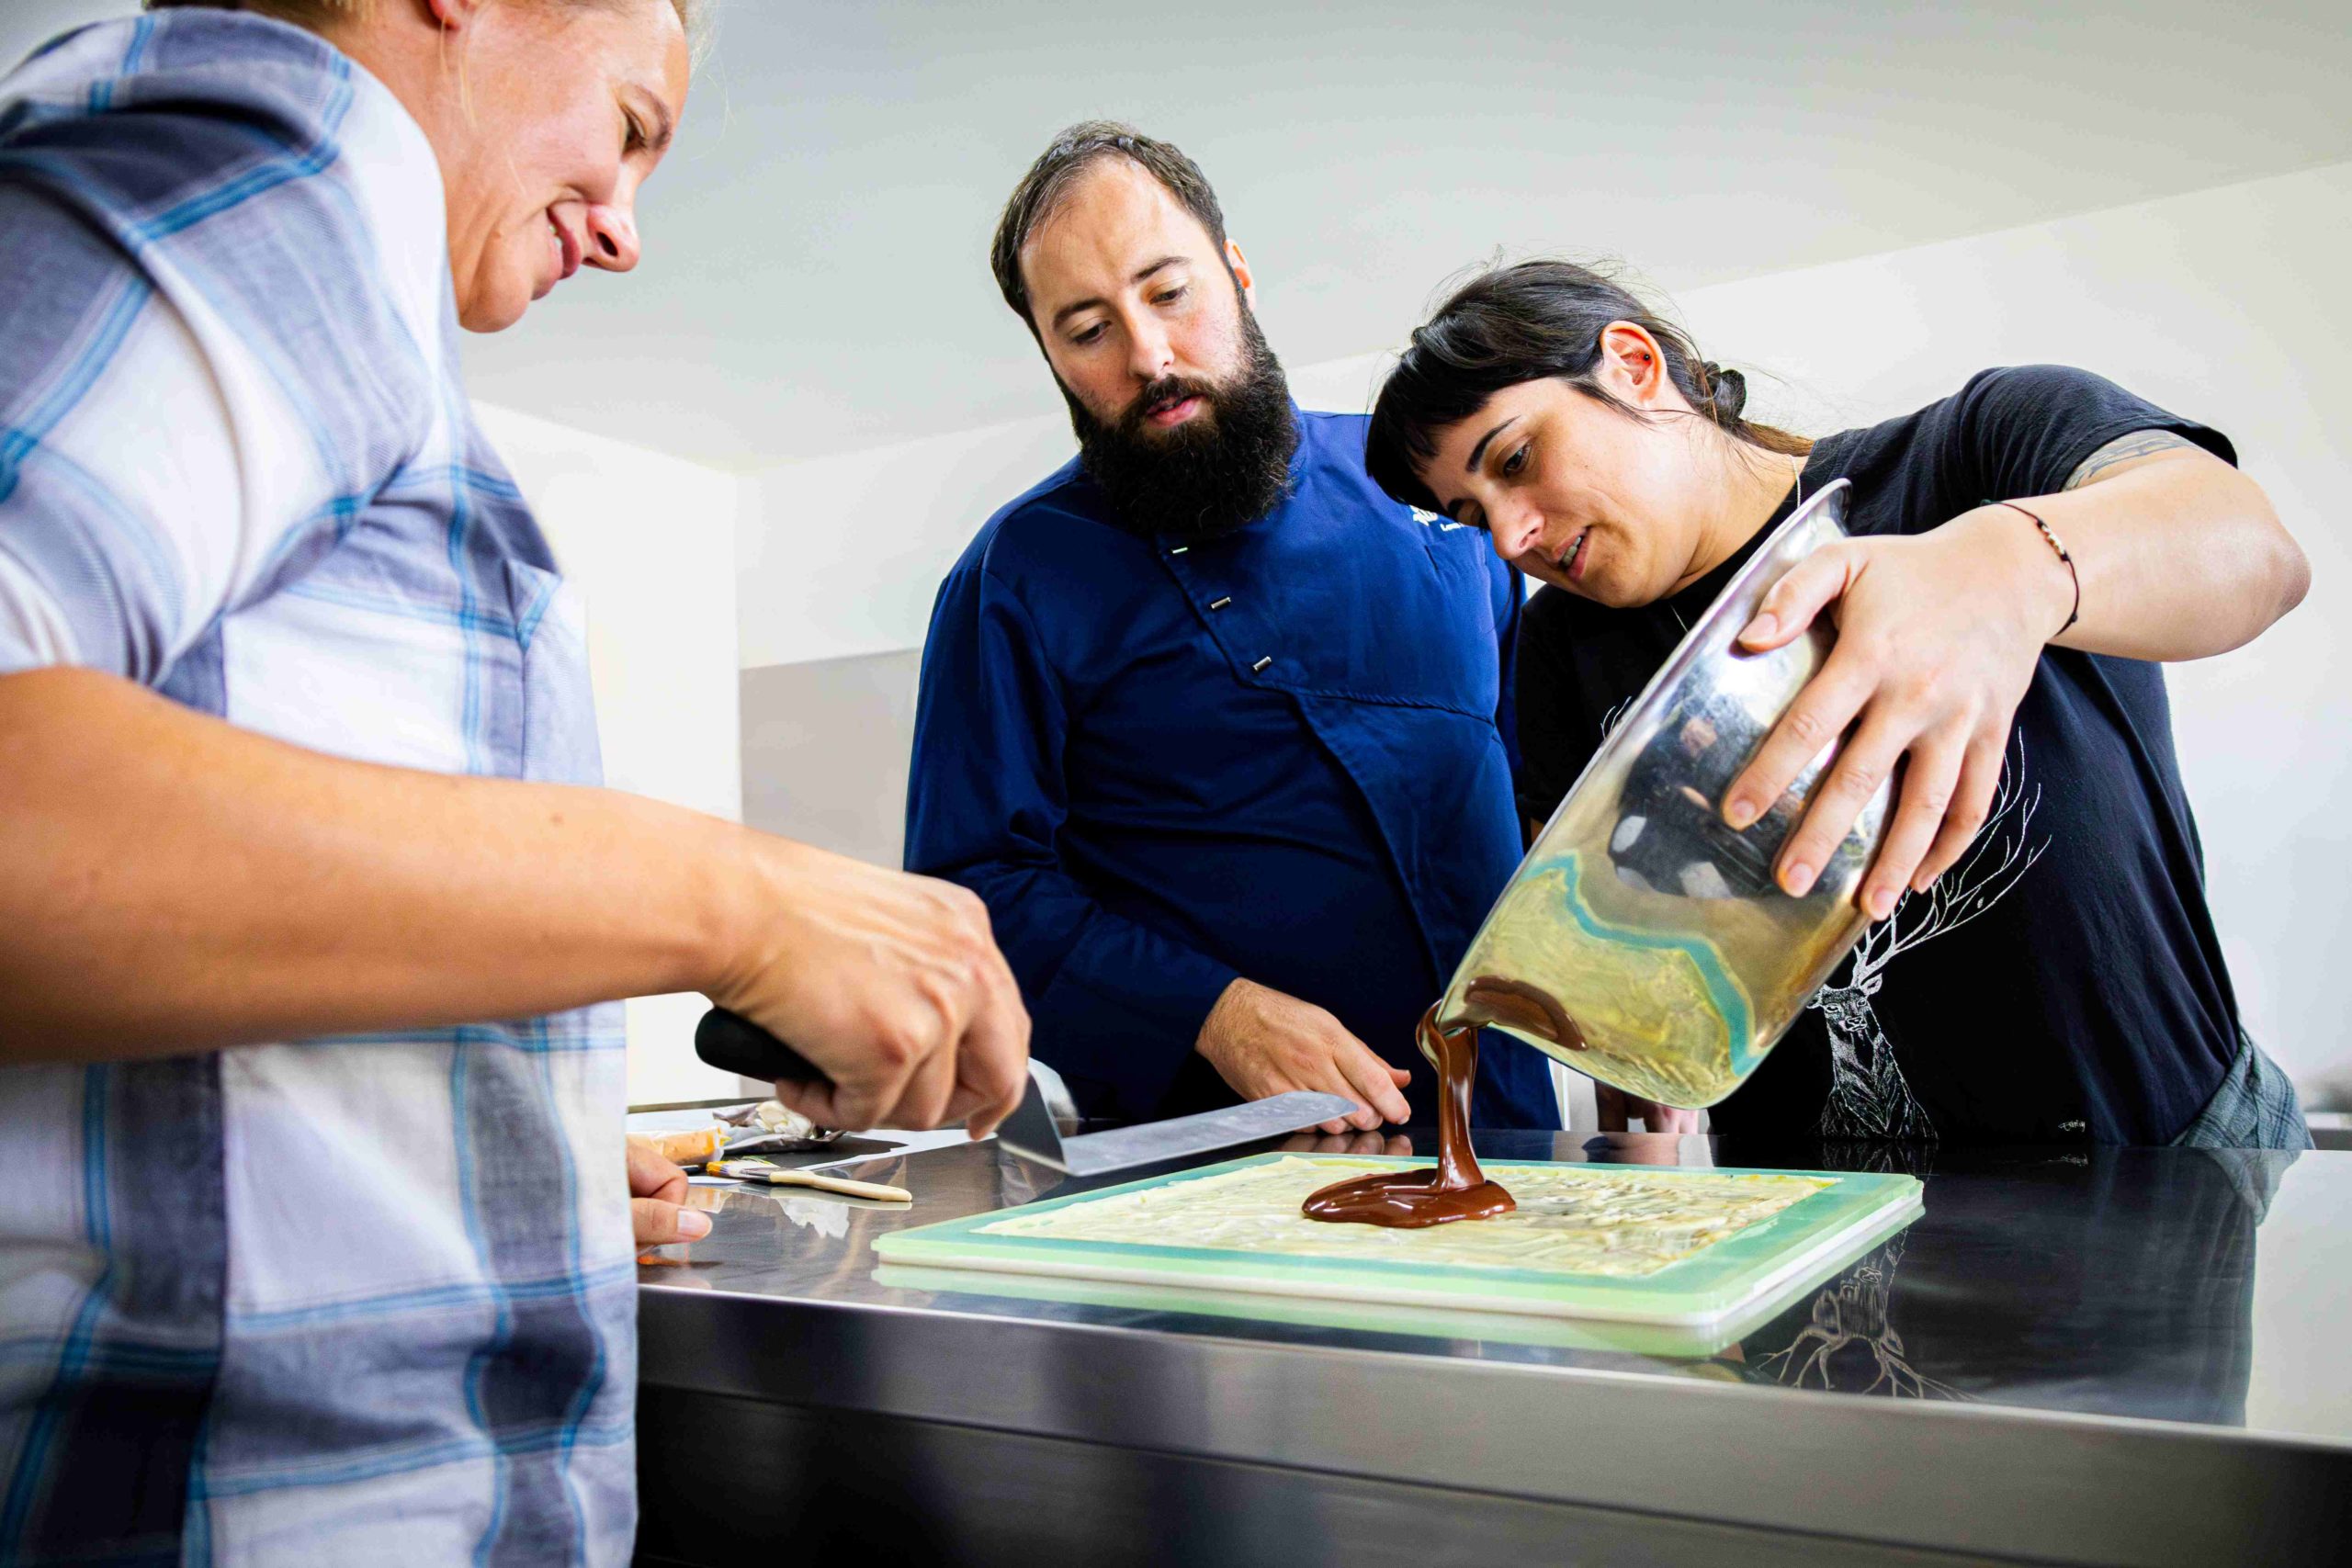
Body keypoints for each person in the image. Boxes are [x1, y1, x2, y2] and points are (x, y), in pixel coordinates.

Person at [0, 3, 1028, 1561]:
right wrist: (742, 899)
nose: (624, 230)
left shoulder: (329, 293)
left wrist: (476, 1170)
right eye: (629, 126)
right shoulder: (296, 167)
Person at [1364, 260, 2312, 1148]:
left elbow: (2257, 554)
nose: (1510, 537)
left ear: (1633, 365)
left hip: (2167, 1156)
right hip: (1808, 1218)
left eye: (1516, 459)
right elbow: (1609, 966)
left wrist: (2011, 564)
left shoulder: (1974, 451)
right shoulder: (1557, 653)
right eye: (1470, 515)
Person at [904, 122, 1558, 1135]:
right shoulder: (1015, 575)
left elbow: (1542, 805)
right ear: (1051, 357)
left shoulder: (1436, 494)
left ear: (1237, 270)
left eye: (1169, 293)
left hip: (1510, 1129)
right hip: (1220, 1158)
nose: (1149, 355)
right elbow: (969, 891)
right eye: (1088, 330)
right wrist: (1212, 1014)